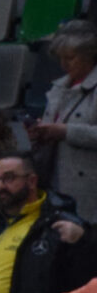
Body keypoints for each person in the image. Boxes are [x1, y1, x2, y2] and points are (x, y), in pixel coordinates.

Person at [0, 154, 94, 293]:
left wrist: (82, 242)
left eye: (9, 178)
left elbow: (84, 279)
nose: (0, 186)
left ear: (32, 181)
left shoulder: (59, 225)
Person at [30, 18, 97, 218]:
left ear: (90, 54)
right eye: (61, 58)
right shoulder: (59, 87)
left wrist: (65, 131)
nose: (63, 64)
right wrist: (42, 132)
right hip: (57, 180)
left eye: (70, 58)